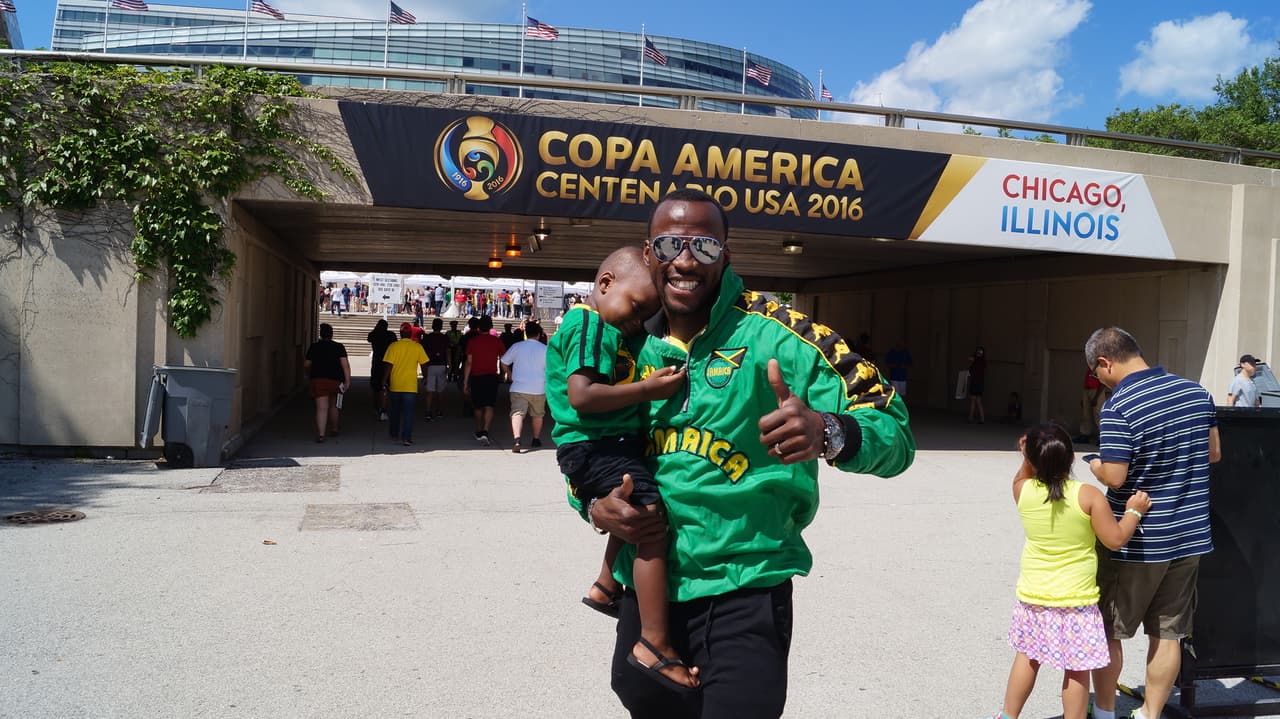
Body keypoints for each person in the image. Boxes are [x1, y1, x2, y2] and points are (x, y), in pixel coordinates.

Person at [584, 188, 915, 717]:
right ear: (648, 254)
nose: (686, 261)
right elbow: (583, 439)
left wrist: (829, 431)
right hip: (645, 596)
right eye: (670, 245)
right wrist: (591, 503)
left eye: (705, 247)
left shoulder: (783, 335)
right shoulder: (614, 339)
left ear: (727, 255)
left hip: (746, 592)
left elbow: (895, 434)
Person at [547, 248, 695, 692]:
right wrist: (648, 389)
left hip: (608, 445)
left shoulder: (610, 327)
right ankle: (653, 643)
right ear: (605, 284)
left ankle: (606, 584)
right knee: (649, 523)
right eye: (635, 308)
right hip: (596, 445)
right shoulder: (590, 323)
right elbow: (583, 396)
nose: (637, 321)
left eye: (647, 316)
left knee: (628, 509)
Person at [1083, 326, 1222, 719]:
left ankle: (1106, 712)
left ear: (1105, 362)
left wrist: (1094, 464)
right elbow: (1213, 453)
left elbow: (1115, 476)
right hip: (1190, 537)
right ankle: (1150, 713)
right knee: (1169, 633)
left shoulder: (1120, 404)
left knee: (1110, 630)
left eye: (1096, 372)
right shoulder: (1197, 392)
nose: (1098, 380)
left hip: (1136, 541)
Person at [989, 423, 1151, 719]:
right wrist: (1134, 511)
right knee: (1077, 669)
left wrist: (1027, 456)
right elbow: (1114, 540)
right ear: (1072, 457)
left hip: (1034, 596)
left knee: (1028, 657)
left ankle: (1007, 717)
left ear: (1031, 459)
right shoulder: (1088, 495)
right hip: (1075, 601)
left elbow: (1023, 474)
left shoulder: (1022, 491)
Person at [501, 320, 549, 454]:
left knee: (517, 413)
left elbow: (504, 362)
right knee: (538, 415)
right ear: (539, 334)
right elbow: (551, 368)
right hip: (539, 387)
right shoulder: (545, 349)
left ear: (526, 334)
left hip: (518, 387)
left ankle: (517, 439)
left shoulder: (517, 346)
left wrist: (509, 374)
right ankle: (536, 439)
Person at [382, 322, 429, 446]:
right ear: (410, 334)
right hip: (410, 386)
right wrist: (425, 378)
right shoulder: (417, 347)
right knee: (408, 413)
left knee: (395, 411)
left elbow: (388, 366)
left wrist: (384, 380)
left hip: (396, 384)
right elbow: (424, 364)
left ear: (400, 333)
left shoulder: (393, 346)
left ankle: (394, 433)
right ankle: (406, 438)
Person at [303, 323, 351, 443]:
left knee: (321, 408)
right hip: (336, 381)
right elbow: (345, 365)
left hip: (319, 380)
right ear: (331, 334)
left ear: (320, 334)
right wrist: (347, 381)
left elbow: (306, 364)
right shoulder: (339, 347)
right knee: (335, 405)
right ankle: (334, 428)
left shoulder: (314, 347)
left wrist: (309, 373)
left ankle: (321, 434)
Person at [462, 315, 506, 445]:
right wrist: (503, 374)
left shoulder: (472, 341)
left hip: (477, 376)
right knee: (489, 404)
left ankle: (479, 428)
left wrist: (465, 381)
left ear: (479, 327)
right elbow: (503, 360)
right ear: (491, 326)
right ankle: (486, 430)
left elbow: (469, 362)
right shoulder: (497, 341)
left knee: (477, 405)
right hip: (492, 376)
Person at [366, 318, 396, 422]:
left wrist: (376, 329)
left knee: (375, 387)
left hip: (376, 362)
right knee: (385, 386)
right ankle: (383, 410)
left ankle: (376, 407)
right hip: (388, 361)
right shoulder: (391, 335)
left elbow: (369, 338)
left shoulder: (374, 334)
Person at [421, 318, 450, 421]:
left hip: (430, 365)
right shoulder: (445, 338)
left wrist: (423, 367)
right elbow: (448, 352)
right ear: (441, 327)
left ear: (432, 326)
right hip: (441, 365)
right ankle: (439, 410)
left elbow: (422, 353)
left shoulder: (427, 338)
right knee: (440, 390)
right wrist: (449, 366)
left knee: (429, 390)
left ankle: (428, 412)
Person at [1074, 367, 1105, 444]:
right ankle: (1085, 434)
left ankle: (1102, 437)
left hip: (1097, 390)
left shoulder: (1100, 366)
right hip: (1087, 389)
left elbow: (1102, 383)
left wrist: (1096, 397)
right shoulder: (1090, 367)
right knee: (1086, 414)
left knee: (1098, 414)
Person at [968, 345, 987, 423]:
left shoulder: (977, 361)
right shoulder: (982, 361)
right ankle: (982, 419)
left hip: (976, 382)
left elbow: (970, 359)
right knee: (978, 401)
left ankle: (971, 418)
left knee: (974, 401)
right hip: (979, 383)